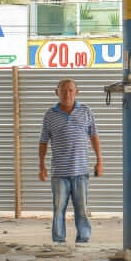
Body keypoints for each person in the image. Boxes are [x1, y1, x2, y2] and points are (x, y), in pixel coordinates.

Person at [38, 78, 103, 244]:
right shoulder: (50, 115)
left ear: (76, 92)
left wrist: (99, 161)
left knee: (82, 209)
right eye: (63, 90)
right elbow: (43, 141)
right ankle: (59, 240)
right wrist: (42, 166)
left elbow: (94, 136)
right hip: (59, 173)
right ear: (56, 92)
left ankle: (84, 238)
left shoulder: (86, 111)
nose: (67, 94)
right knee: (59, 209)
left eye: (70, 90)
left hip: (81, 171)